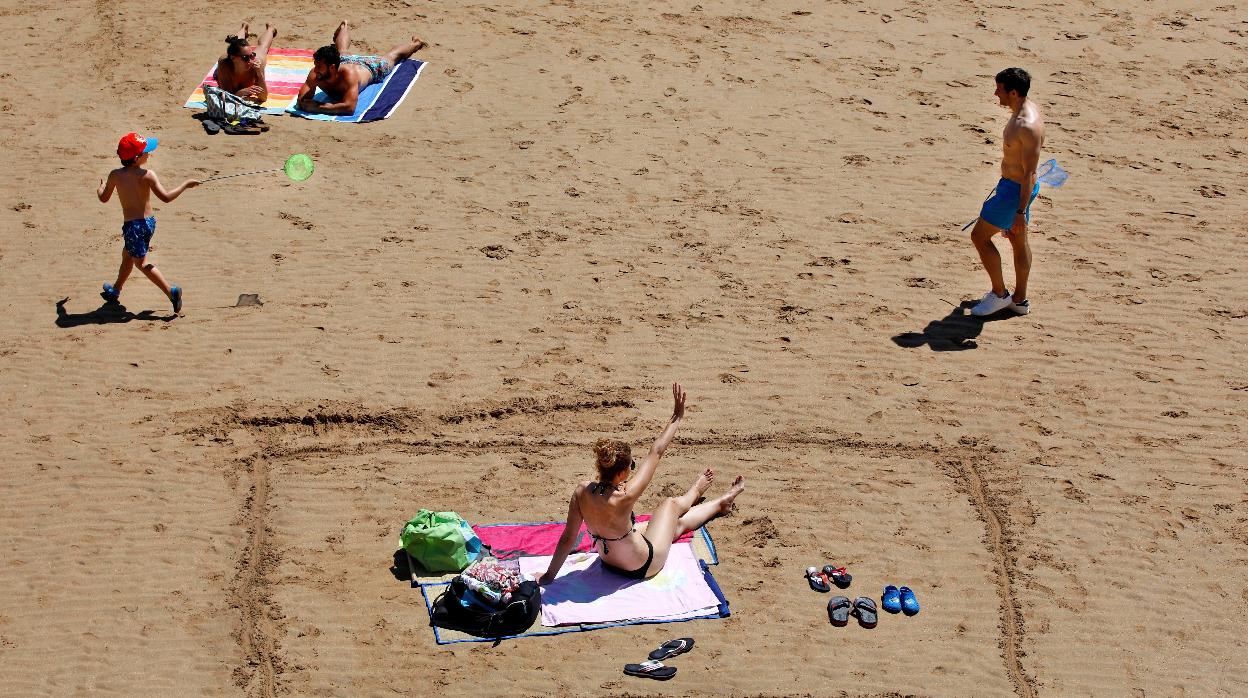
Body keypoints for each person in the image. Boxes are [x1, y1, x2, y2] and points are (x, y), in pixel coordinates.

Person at [538, 383, 746, 584]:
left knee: (672, 525)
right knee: (669, 506)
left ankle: (718, 504)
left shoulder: (581, 491)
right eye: (632, 466)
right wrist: (677, 417)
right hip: (643, 566)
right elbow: (656, 451)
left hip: (608, 562)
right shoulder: (625, 495)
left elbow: (567, 538)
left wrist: (549, 577)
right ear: (621, 473)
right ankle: (702, 495)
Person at [968, 67, 1046, 317]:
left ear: (1013, 92)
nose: (995, 93)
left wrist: (1020, 211)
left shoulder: (1027, 125)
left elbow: (1029, 173)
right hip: (1013, 187)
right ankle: (1019, 300)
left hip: (1014, 192)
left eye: (999, 89)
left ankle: (1000, 294)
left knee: (979, 237)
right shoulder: (1024, 110)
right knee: (1017, 239)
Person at [97, 133, 199, 314]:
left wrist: (100, 189)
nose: (149, 154)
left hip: (133, 227)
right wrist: (185, 185)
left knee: (141, 263)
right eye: (146, 152)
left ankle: (171, 292)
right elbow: (166, 198)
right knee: (127, 254)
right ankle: (116, 289)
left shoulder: (115, 175)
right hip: (148, 224)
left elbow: (104, 198)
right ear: (136, 158)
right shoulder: (148, 175)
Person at [296, 21, 425, 115]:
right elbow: (302, 101)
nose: (316, 69)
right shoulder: (316, 74)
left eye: (319, 66)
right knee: (342, 52)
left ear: (332, 68)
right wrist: (305, 103)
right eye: (315, 65)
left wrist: (318, 107)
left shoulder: (349, 76)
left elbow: (349, 108)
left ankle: (415, 44)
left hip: (368, 68)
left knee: (391, 57)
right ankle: (344, 26)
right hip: (345, 61)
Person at [215, 22, 278, 103]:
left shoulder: (256, 64)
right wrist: (240, 93)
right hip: (229, 58)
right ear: (233, 58)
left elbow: (263, 98)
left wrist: (259, 73)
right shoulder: (224, 65)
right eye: (245, 58)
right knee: (236, 43)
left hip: (246, 59)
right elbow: (226, 96)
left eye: (251, 55)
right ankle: (244, 27)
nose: (250, 60)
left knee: (263, 48)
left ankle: (270, 28)